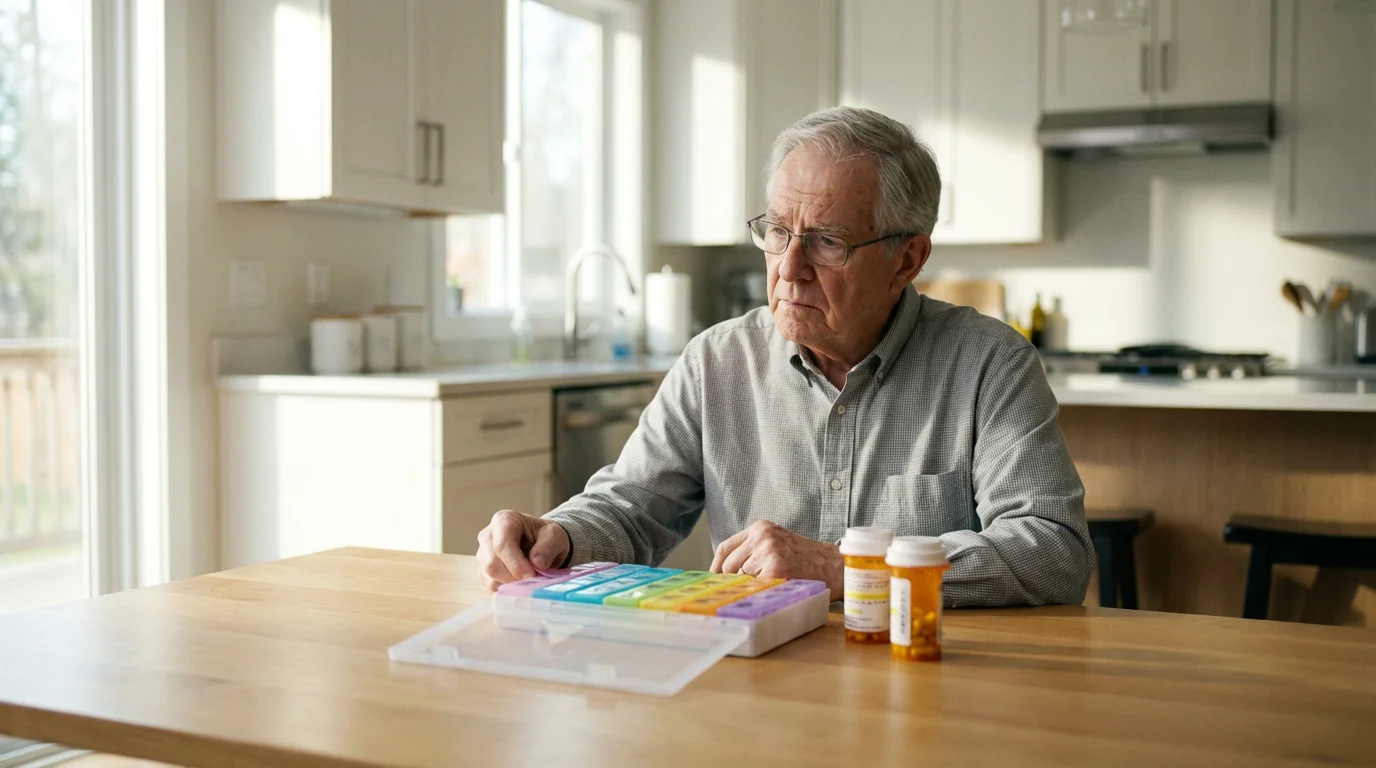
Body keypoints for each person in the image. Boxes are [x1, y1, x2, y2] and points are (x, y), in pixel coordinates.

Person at [476, 106, 1093, 607]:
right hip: (763, 680)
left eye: (827, 242)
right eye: (777, 232)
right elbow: (631, 508)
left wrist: (845, 568)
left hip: (925, 680)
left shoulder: (989, 363)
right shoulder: (716, 362)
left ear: (906, 260)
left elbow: (1054, 551)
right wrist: (558, 534)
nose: (788, 269)